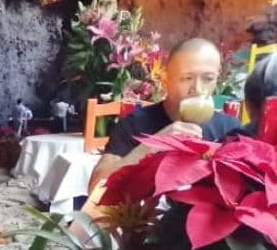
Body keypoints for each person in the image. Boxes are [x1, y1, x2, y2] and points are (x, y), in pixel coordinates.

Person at [85, 38, 243, 212]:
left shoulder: (229, 129)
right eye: (186, 78)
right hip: (142, 227)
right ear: (167, 78)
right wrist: (155, 143)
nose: (197, 88)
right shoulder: (135, 124)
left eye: (208, 79)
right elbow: (96, 188)